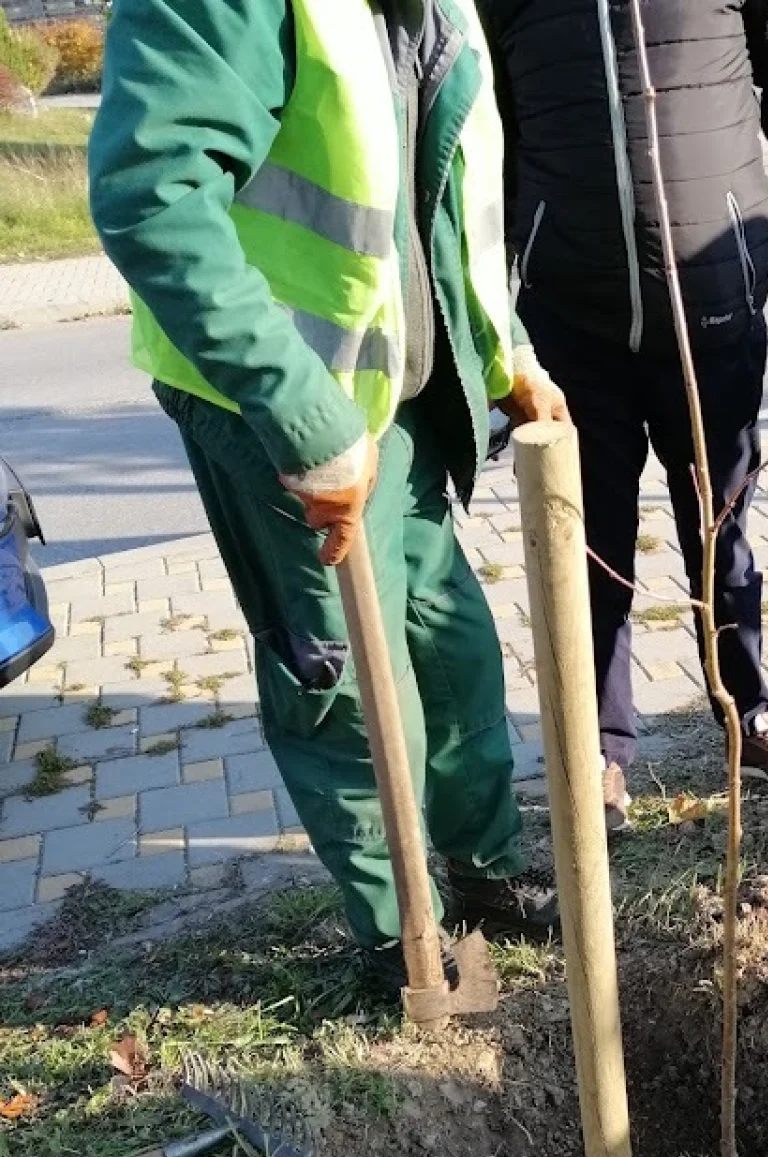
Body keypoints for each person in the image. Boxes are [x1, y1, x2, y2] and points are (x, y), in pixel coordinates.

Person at [89, 0, 568, 985]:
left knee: (452, 646)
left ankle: (482, 878)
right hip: (275, 402)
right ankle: (407, 939)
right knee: (352, 686)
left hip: (397, 402)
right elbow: (153, 189)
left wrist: (501, 350)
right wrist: (307, 421)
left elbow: (436, 194)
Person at [477, 0, 768, 831]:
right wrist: (493, 329)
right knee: (585, 549)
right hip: (567, 327)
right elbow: (476, 141)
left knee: (720, 531)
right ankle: (595, 752)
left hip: (715, 310)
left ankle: (747, 716)